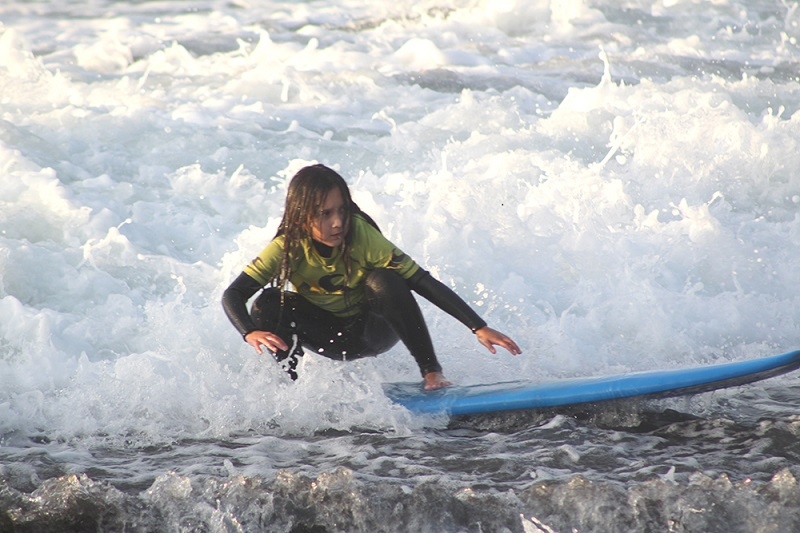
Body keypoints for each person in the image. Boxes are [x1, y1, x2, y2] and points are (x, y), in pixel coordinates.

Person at [222, 164, 521, 390]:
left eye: (342, 210)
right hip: (328, 334)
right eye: (325, 214)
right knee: (268, 303)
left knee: (385, 279)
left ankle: (432, 372)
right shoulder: (287, 247)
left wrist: (477, 326)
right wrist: (249, 331)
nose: (338, 222)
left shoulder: (361, 234)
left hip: (373, 330)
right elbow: (233, 295)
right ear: (301, 216)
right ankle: (291, 390)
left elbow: (420, 281)